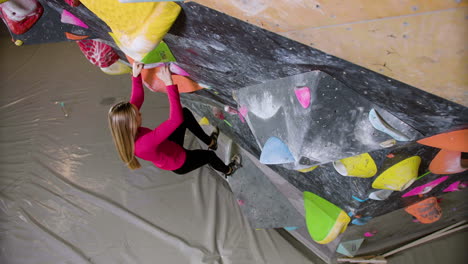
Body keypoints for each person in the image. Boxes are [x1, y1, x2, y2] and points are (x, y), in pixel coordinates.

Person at [108, 62, 241, 177]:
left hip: (169, 146)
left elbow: (137, 99)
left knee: (185, 114)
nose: (140, 113)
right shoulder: (143, 144)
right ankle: (228, 170)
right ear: (131, 124)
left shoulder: (126, 128)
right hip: (180, 161)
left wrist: (136, 76)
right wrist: (169, 84)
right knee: (209, 156)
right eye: (138, 115)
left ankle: (211, 142)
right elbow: (175, 120)